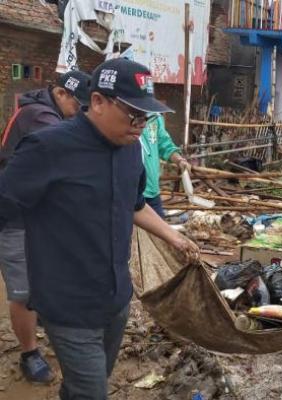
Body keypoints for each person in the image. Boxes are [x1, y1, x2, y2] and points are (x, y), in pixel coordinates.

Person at [0, 58, 200, 400]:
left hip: (115, 300)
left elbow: (135, 203)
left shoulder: (131, 150)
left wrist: (173, 235)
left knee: (89, 384)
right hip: (68, 304)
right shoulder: (48, 148)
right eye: (133, 114)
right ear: (97, 102)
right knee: (92, 393)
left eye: (146, 116)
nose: (140, 125)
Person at [0, 70, 91, 384]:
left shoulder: (49, 112)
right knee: (23, 288)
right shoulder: (40, 117)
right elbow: (67, 150)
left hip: (39, 215)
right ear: (62, 93)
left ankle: (43, 327)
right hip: (15, 214)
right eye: (79, 106)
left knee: (47, 276)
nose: (80, 113)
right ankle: (29, 353)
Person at [141, 114, 190, 218]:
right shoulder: (126, 115)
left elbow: (164, 144)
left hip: (152, 190)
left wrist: (179, 160)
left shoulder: (155, 117)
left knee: (158, 230)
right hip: (131, 193)